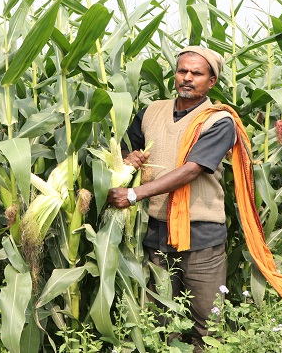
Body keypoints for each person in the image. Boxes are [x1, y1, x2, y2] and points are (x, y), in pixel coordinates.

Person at [107, 45, 235, 350]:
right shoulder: (151, 111)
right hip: (158, 234)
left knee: (208, 324)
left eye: (197, 73)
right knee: (162, 323)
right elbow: (125, 147)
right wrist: (128, 160)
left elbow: (191, 169)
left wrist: (134, 193)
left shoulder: (218, 121)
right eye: (182, 71)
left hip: (201, 237)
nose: (187, 78)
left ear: (212, 81)